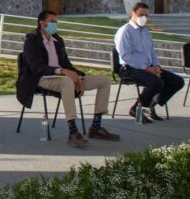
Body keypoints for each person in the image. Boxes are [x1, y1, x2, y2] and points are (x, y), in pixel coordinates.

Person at [18, 10, 120, 147]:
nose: (55, 24)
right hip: (41, 78)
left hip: (62, 76)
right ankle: (73, 132)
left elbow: (67, 64)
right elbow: (37, 68)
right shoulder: (31, 40)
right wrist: (62, 71)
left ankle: (96, 127)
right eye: (52, 21)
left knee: (103, 80)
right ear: (42, 23)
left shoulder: (58, 40)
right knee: (67, 82)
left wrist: (78, 77)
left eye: (56, 22)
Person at [114, 2, 184, 123]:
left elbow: (151, 52)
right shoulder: (125, 31)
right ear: (133, 14)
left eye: (146, 15)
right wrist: (147, 69)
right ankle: (136, 109)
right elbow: (126, 56)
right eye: (141, 14)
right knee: (157, 82)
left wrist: (156, 66)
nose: (144, 18)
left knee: (178, 81)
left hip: (148, 67)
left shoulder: (146, 31)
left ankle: (151, 105)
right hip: (129, 68)